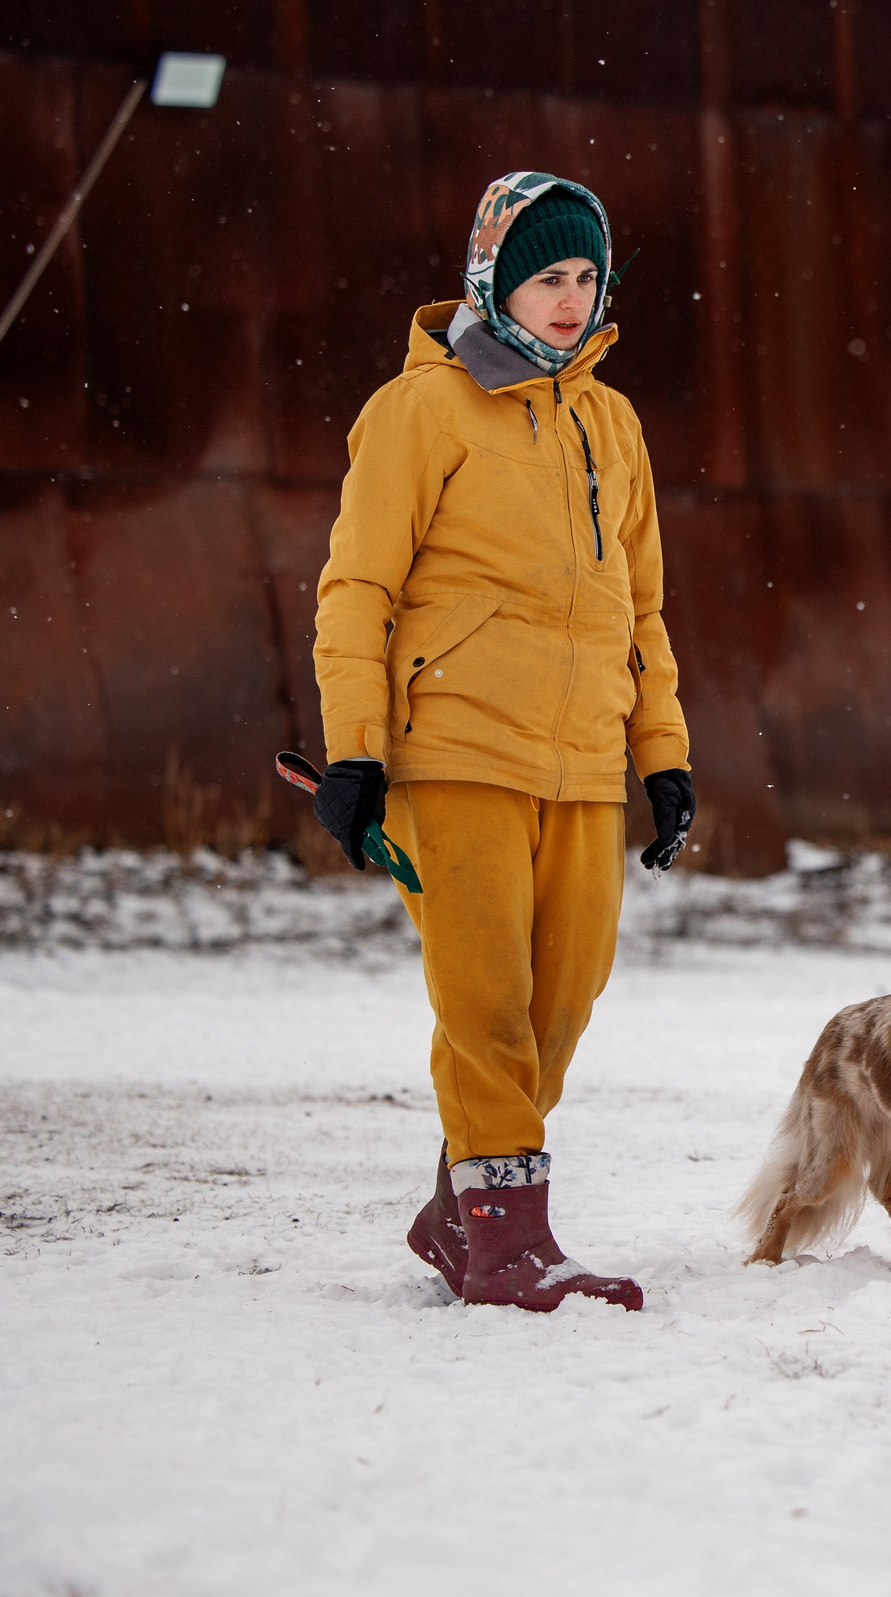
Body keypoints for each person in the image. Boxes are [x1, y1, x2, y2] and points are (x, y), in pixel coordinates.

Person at [309, 172, 696, 1312]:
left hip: (580, 758)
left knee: (557, 1007)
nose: (570, 299)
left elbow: (646, 609)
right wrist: (357, 751)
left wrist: (661, 754)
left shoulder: (612, 423)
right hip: (455, 746)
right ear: (493, 280)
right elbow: (358, 587)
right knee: (481, 1003)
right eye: (547, 277)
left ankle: (454, 1213)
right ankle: (507, 1242)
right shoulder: (418, 410)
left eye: (586, 277)